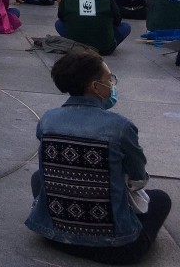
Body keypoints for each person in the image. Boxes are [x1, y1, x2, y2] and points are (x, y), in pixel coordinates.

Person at [26, 50, 172, 263]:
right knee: (161, 199)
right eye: (109, 79)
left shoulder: (47, 120)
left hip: (54, 236)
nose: (112, 84)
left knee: (39, 177)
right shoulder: (120, 127)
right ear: (95, 87)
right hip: (117, 249)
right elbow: (138, 179)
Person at [56, 0, 130, 55]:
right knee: (125, 27)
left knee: (59, 24)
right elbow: (117, 20)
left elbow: (61, 16)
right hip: (104, 48)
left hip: (76, 46)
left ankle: (77, 43)